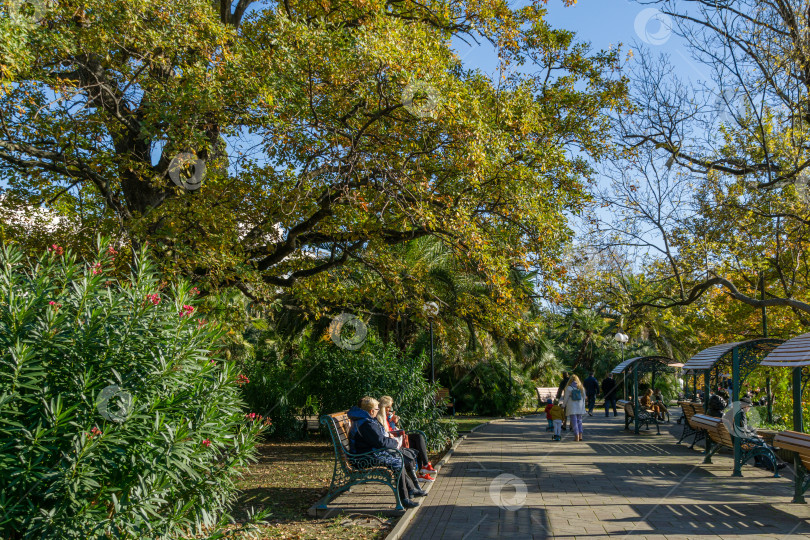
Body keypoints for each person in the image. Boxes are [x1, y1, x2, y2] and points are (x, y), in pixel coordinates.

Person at [348, 397, 426, 508]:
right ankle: (404, 499)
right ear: (371, 411)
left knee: (401, 456)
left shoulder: (365, 419)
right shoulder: (365, 424)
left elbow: (379, 440)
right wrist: (395, 443)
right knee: (398, 462)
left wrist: (393, 442)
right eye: (376, 408)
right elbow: (380, 442)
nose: (378, 410)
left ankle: (411, 489)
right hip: (362, 458)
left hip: (369, 453)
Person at [378, 395, 435, 481]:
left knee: (418, 437)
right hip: (393, 442)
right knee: (417, 442)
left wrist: (395, 422)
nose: (389, 410)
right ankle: (423, 471)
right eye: (388, 407)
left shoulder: (388, 416)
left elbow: (393, 428)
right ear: (383, 407)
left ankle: (424, 468)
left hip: (398, 438)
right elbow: (385, 433)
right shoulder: (379, 418)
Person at [736, 396, 786, 472]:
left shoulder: (737, 412)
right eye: (749, 406)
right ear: (745, 406)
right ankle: (772, 465)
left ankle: (760, 461)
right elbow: (743, 430)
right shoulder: (741, 413)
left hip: (737, 440)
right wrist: (755, 435)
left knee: (758, 440)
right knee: (761, 442)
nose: (749, 408)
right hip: (742, 441)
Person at [561, 374, 587, 441]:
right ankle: (580, 435)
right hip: (580, 406)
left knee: (574, 421)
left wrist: (563, 405)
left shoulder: (568, 388)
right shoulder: (581, 387)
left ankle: (576, 436)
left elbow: (566, 398)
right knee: (580, 420)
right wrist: (583, 406)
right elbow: (584, 398)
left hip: (572, 406)